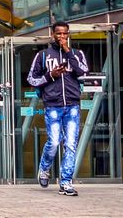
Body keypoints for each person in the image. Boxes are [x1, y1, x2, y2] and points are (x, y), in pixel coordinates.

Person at [28, 20, 89, 197]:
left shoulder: (77, 53)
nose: (62, 37)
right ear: (52, 34)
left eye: (65, 34)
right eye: (59, 33)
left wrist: (69, 52)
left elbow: (83, 72)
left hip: (72, 104)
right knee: (54, 141)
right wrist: (50, 75)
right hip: (53, 104)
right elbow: (32, 79)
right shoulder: (43, 55)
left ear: (68, 35)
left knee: (70, 144)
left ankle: (66, 182)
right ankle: (44, 168)